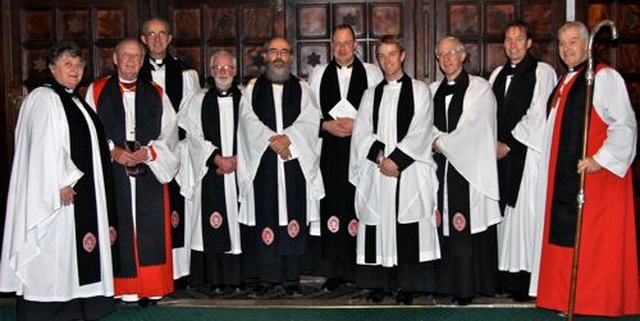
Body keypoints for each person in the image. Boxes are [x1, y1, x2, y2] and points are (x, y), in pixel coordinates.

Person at [0, 42, 119, 320]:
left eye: (78, 65)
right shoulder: (44, 98)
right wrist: (60, 181)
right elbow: (42, 146)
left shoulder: (75, 100)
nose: (75, 70)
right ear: (52, 68)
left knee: (71, 254)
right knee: (54, 250)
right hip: (58, 193)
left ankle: (78, 304)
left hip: (79, 192)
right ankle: (48, 308)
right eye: (67, 64)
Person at [533, 21, 639, 317]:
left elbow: (624, 125)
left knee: (595, 242)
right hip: (566, 174)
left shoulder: (604, 77)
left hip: (595, 178)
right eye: (562, 43)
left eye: (573, 42)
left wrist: (599, 159)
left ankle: (594, 300)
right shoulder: (566, 80)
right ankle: (567, 299)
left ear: (587, 44)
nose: (566, 49)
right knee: (566, 236)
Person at [86, 38, 179, 304]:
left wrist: (150, 152)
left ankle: (150, 287)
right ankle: (120, 286)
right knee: (118, 225)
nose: (131, 61)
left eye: (137, 56)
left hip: (148, 171)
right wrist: (112, 151)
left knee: (149, 230)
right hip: (115, 171)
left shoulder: (156, 92)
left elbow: (170, 133)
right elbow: (89, 132)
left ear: (142, 60)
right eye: (125, 56)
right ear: (114, 59)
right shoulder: (97, 90)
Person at [348, 35, 440, 305]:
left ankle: (408, 285)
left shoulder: (420, 90)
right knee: (378, 222)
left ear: (402, 55)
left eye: (391, 54)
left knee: (407, 224)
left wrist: (397, 160)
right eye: (382, 56)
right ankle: (380, 283)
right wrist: (380, 159)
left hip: (407, 171)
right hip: (378, 171)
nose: (387, 61)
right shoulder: (370, 94)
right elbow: (361, 131)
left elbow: (422, 129)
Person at [236, 36, 324, 297]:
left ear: (290, 57)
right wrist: (272, 141)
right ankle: (266, 279)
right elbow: (246, 120)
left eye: (284, 52)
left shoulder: (303, 89)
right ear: (265, 56)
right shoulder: (251, 89)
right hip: (264, 161)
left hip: (293, 160)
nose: (278, 57)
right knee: (267, 214)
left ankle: (291, 279)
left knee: (292, 215)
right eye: (273, 51)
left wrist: (289, 139)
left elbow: (311, 120)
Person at [306, 24, 383, 290]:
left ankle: (361, 269)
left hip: (359, 150)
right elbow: (307, 114)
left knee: (357, 203)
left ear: (355, 45)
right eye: (337, 43)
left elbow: (380, 110)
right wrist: (325, 125)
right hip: (329, 151)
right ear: (331, 46)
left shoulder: (372, 73)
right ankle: (334, 271)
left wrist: (358, 124)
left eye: (346, 43)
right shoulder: (318, 75)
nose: (341, 48)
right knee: (333, 205)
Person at [488, 20, 557, 301]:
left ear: (529, 43)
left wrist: (510, 143)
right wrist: (490, 143)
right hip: (497, 156)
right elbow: (487, 114)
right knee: (502, 217)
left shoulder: (543, 72)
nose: (513, 44)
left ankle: (526, 279)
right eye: (508, 39)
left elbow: (538, 114)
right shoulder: (495, 75)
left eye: (519, 39)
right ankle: (504, 276)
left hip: (526, 158)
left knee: (525, 217)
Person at [429, 36, 501, 305]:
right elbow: (422, 124)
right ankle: (443, 285)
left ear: (463, 56)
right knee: (440, 224)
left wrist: (440, 142)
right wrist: (433, 139)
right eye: (441, 54)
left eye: (452, 53)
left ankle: (465, 287)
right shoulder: (432, 88)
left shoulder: (479, 88)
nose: (446, 58)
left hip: (467, 170)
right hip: (439, 169)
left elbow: (476, 128)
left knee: (463, 225)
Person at [139, 17, 200, 282]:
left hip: (179, 152)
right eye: (151, 34)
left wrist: (171, 143)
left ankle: (179, 272)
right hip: (145, 154)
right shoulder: (134, 73)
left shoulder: (187, 74)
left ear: (170, 38)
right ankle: (150, 272)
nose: (157, 39)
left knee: (178, 210)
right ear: (143, 39)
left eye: (162, 33)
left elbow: (191, 115)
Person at [176, 50, 243, 293]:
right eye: (218, 68)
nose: (223, 72)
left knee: (238, 223)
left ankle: (239, 279)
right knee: (210, 223)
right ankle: (214, 279)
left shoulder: (246, 99)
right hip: (210, 173)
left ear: (235, 72)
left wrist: (239, 159)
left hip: (239, 173)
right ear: (211, 71)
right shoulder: (198, 100)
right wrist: (215, 158)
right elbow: (192, 136)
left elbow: (254, 134)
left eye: (228, 68)